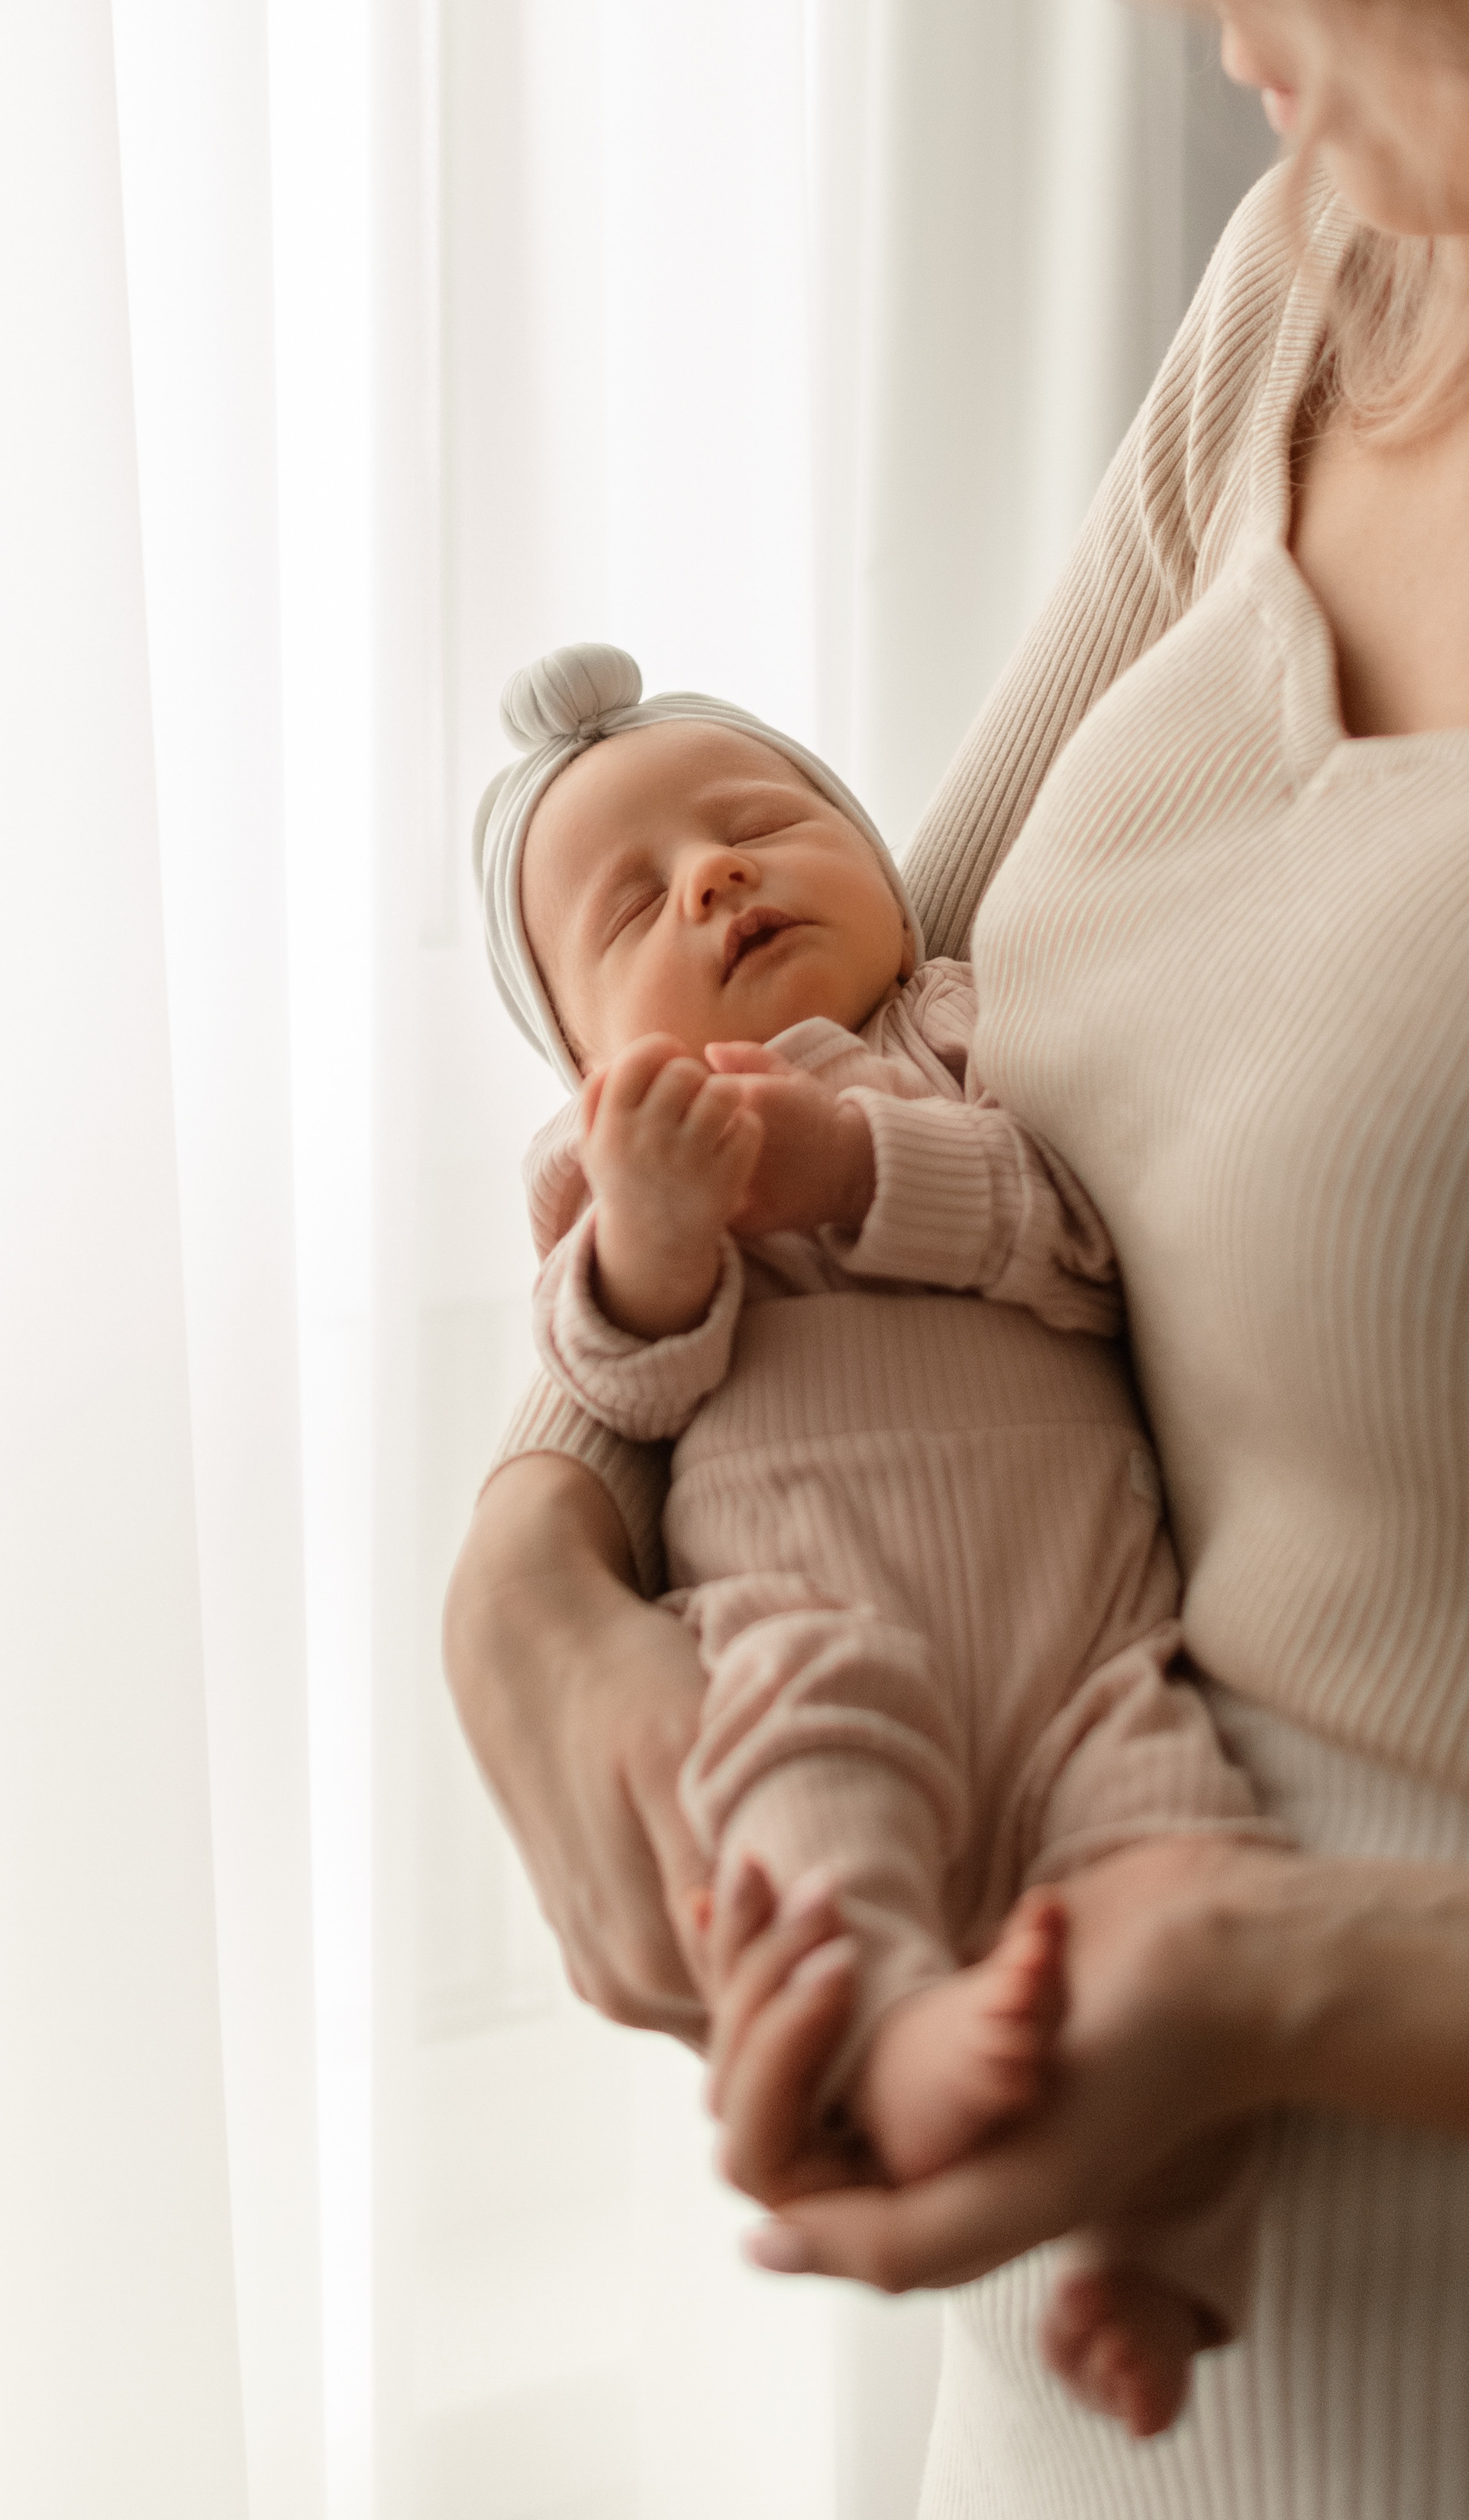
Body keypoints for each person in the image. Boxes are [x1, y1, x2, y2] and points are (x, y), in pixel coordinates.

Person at [444, 2, 1469, 2509]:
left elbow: (933, 1140)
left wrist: (1284, 1983)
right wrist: (532, 1561)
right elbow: (898, 961)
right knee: (828, 1819)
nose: (1219, 32)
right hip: (1047, 2433)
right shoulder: (1334, 276)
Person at [475, 640, 1284, 2432]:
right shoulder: (606, 1159)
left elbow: (1082, 1241)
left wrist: (847, 1168)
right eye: (632, 911)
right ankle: (897, 2021)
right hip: (807, 1625)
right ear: (585, 1049)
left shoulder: (976, 1035)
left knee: (1187, 1872)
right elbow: (619, 1375)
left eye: (763, 823)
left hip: (1096, 1645)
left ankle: (1165, 2244)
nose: (717, 875)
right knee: (804, 1818)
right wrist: (659, 1233)